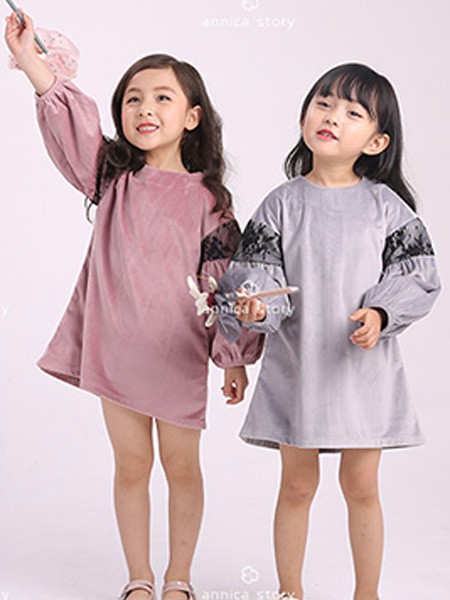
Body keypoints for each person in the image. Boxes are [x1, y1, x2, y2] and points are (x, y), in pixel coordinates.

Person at [5, 10, 263, 600]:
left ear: (192, 116)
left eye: (162, 98)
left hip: (177, 353)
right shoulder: (111, 179)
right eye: (133, 99)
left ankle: (179, 578)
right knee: (130, 465)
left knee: (181, 467)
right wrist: (29, 59)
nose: (145, 109)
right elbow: (65, 116)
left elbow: (226, 286)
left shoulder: (212, 204)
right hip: (116, 345)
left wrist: (234, 359)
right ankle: (139, 578)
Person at [218, 63, 441, 600]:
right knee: (296, 485)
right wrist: (252, 310)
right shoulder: (281, 204)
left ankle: (368, 593)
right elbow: (257, 281)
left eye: (352, 112)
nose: (333, 116)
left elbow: (417, 276)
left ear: (376, 141)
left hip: (364, 371)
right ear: (304, 117)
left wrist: (381, 314)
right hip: (299, 369)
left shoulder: (386, 208)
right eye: (323, 103)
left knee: (362, 487)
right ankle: (289, 591)